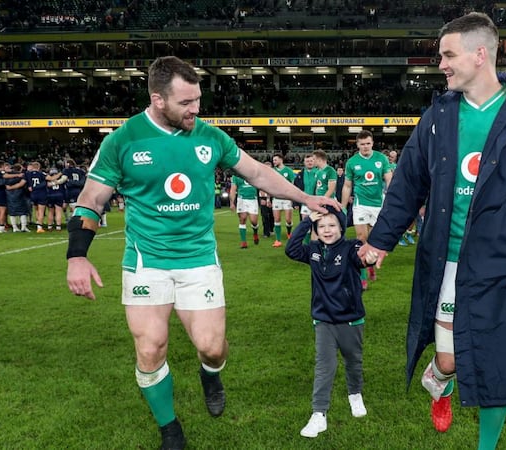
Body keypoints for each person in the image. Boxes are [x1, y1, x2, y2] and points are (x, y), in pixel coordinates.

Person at [65, 55, 340, 450]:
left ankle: (210, 373)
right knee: (150, 347)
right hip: (147, 263)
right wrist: (77, 255)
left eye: (197, 100)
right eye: (186, 103)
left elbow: (258, 173)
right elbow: (91, 200)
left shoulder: (210, 136)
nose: (196, 109)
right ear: (158, 100)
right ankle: (170, 429)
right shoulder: (122, 140)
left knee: (211, 347)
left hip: (199, 260)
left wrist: (303, 197)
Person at [358, 12, 506, 450]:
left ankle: (486, 446)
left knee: (501, 361)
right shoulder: (438, 115)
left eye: (448, 54)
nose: (441, 64)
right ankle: (443, 383)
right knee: (449, 359)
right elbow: (408, 182)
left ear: (479, 54)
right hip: (447, 257)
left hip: (505, 260)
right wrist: (380, 240)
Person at [285, 206, 378, 438]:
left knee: (353, 361)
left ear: (341, 227)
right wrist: (307, 222)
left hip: (350, 319)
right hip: (323, 320)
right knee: (324, 366)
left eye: (332, 225)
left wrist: (368, 258)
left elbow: (361, 257)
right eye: (322, 226)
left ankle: (355, 395)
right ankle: (319, 414)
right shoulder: (314, 250)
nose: (327, 230)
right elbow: (291, 249)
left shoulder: (350, 247)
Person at [340, 130, 392, 290]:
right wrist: (342, 207)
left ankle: (370, 265)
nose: (365, 147)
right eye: (362, 144)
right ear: (357, 145)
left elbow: (389, 179)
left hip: (378, 204)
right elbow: (348, 185)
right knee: (361, 238)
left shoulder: (381, 158)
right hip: (360, 204)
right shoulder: (352, 162)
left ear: (372, 143)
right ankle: (362, 278)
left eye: (368, 143)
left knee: (374, 240)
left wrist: (391, 201)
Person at [271, 153, 297, 247]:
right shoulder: (272, 171)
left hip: (286, 199)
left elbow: (293, 183)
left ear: (281, 160)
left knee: (288, 220)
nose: (274, 162)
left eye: (275, 160)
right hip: (276, 198)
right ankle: (278, 240)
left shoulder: (288, 171)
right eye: (273, 160)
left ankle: (289, 233)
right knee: (277, 219)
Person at [228, 173, 259, 248]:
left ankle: (255, 233)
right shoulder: (235, 176)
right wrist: (232, 203)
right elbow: (233, 189)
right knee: (242, 219)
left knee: (254, 221)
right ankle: (243, 242)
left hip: (252, 199)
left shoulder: (253, 172)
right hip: (241, 199)